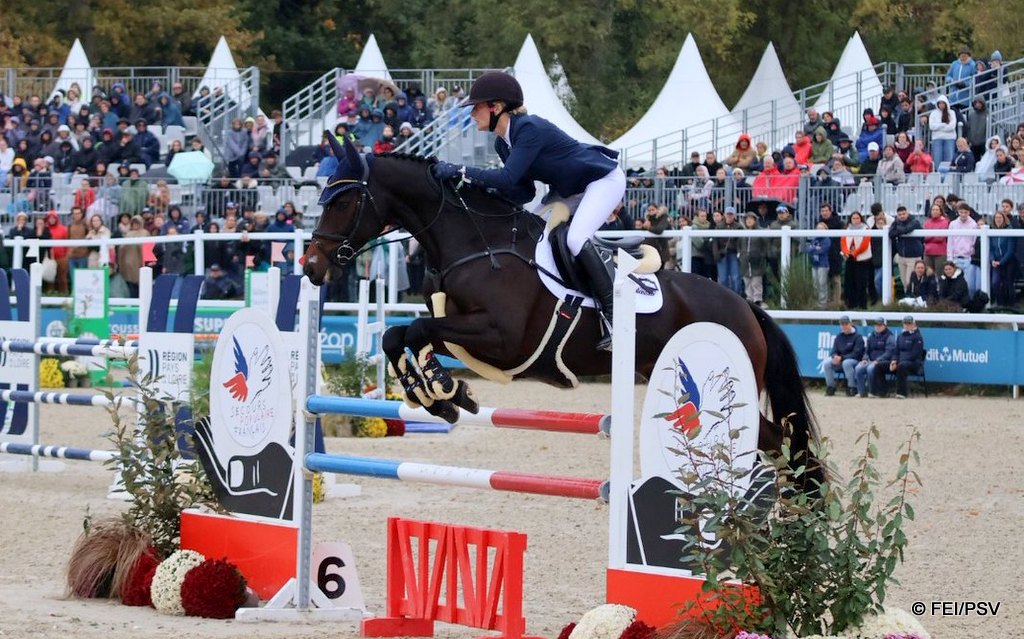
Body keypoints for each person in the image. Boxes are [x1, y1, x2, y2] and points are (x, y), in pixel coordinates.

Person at [431, 72, 625, 350]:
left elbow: (508, 178)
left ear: (495, 107)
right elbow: (524, 192)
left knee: (575, 238)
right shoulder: (502, 142)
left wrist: (460, 170)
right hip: (569, 190)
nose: (472, 114)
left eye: (476, 107)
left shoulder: (528, 128)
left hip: (601, 180)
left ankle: (613, 316)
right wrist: (480, 192)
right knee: (531, 233)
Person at [879, 315, 926, 399]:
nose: (907, 325)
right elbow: (896, 351)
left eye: (909, 323)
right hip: (900, 362)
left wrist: (898, 362)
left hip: (913, 364)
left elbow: (914, 354)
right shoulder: (900, 336)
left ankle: (901, 393)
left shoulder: (918, 336)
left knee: (902, 366)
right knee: (879, 366)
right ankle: (880, 392)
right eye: (905, 323)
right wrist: (894, 361)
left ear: (913, 324)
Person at [822, 315, 865, 396]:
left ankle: (852, 387)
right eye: (842, 324)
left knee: (846, 363)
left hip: (854, 360)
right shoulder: (839, 337)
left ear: (850, 324)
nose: (844, 326)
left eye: (846, 324)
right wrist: (835, 356)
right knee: (827, 363)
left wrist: (841, 358)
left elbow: (857, 353)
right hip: (841, 360)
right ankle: (831, 387)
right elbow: (833, 351)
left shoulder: (858, 337)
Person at [855, 317, 895, 398]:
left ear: (885, 326)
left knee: (870, 369)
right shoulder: (871, 336)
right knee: (858, 368)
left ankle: (872, 391)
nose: (877, 326)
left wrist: (878, 360)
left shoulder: (890, 336)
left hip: (883, 362)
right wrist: (865, 359)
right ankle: (862, 392)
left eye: (880, 325)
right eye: (876, 325)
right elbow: (867, 350)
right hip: (870, 360)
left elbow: (889, 353)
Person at [841, 211, 872, 309]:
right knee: (850, 282)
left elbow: (865, 243)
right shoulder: (847, 229)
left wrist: (855, 253)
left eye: (857, 218)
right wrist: (846, 252)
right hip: (849, 258)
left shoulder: (866, 229)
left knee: (861, 283)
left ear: (861, 219)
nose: (855, 220)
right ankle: (851, 304)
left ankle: (862, 305)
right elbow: (843, 242)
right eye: (853, 218)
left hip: (862, 259)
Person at [990, 210, 1017, 307]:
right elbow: (991, 249)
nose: (998, 219)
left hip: (1009, 261)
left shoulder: (1009, 230)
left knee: (1008, 282)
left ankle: (1011, 305)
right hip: (996, 261)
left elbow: (1010, 250)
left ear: (1004, 219)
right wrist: (992, 260)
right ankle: (1000, 303)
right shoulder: (991, 231)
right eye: (996, 218)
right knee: (995, 282)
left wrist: (1001, 262)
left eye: (1000, 217)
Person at [804, 222, 832, 307]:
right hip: (814, 264)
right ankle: (816, 301)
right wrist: (814, 248)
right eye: (818, 228)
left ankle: (823, 303)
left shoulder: (827, 239)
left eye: (821, 228)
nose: (819, 230)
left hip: (823, 264)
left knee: (822, 283)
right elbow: (807, 249)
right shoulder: (814, 239)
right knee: (815, 283)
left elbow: (823, 250)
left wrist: (813, 248)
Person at [929, 96, 958, 168]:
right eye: (940, 103)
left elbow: (952, 126)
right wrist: (943, 125)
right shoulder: (933, 113)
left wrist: (939, 127)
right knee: (937, 159)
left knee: (949, 159)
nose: (941, 105)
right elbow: (932, 126)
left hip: (949, 138)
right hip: (937, 138)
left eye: (943, 103)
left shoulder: (951, 113)